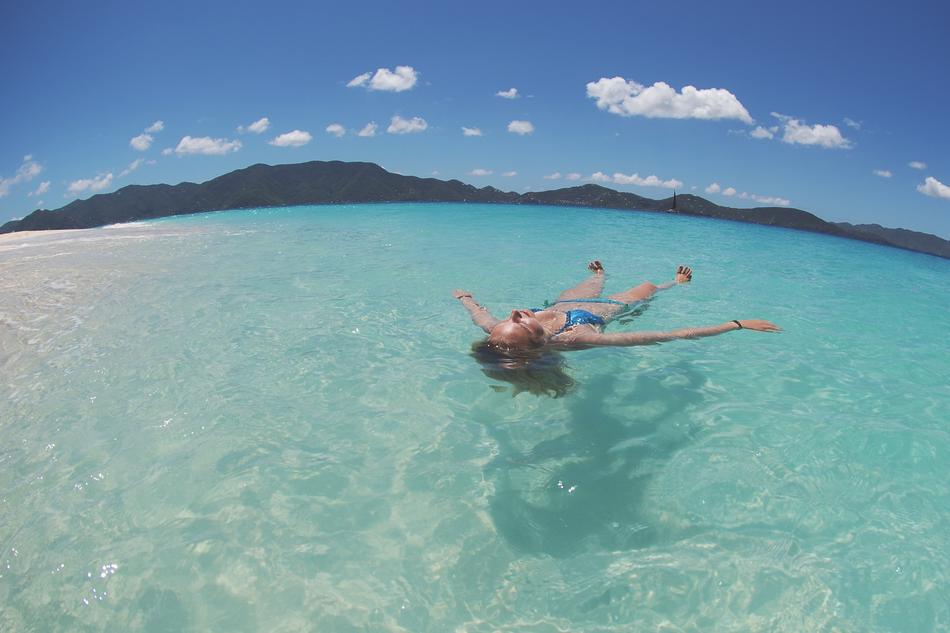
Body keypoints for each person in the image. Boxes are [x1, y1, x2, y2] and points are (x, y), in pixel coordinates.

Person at [453, 261, 780, 353]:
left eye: (509, 319)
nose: (514, 314)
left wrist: (465, 297)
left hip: (565, 302)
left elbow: (479, 315)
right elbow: (667, 335)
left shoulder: (498, 331)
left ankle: (600, 273)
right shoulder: (577, 338)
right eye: (521, 323)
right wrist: (736, 324)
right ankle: (674, 284)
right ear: (539, 341)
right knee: (650, 287)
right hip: (607, 308)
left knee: (594, 280)